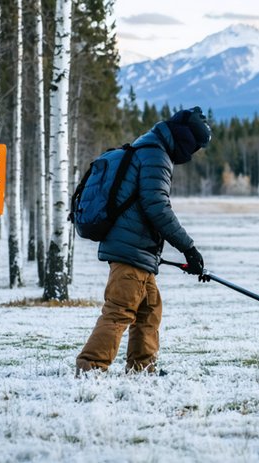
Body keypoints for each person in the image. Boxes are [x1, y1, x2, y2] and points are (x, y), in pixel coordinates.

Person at [75, 106, 212, 376]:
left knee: (149, 309)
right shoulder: (155, 156)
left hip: (139, 248)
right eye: (193, 146)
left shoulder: (148, 147)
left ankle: (142, 368)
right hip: (131, 248)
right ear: (184, 139)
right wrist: (188, 248)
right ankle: (91, 369)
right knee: (119, 310)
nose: (191, 154)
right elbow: (157, 207)